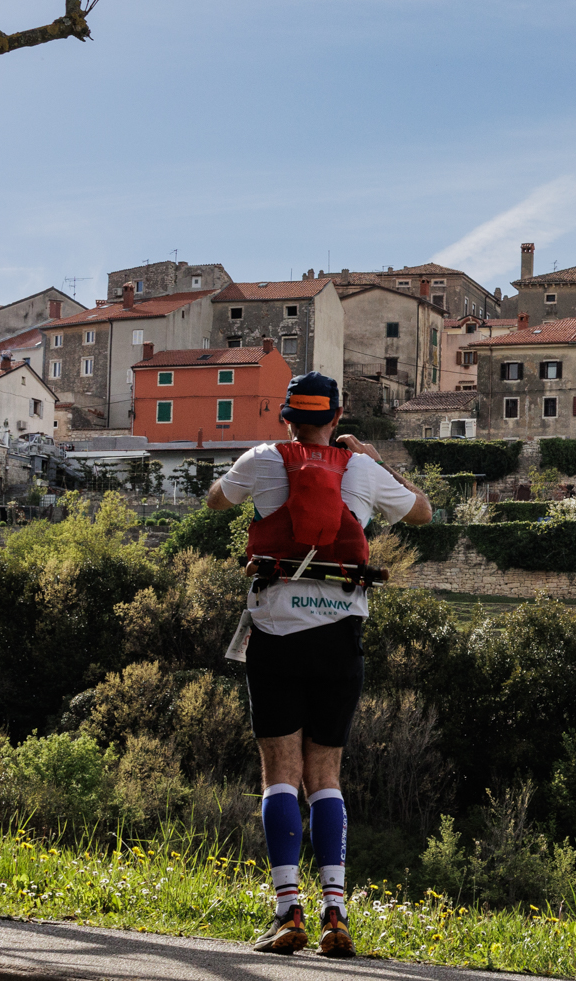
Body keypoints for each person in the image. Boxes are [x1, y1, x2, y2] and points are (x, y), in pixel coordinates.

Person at [207, 371, 430, 956]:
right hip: (340, 638)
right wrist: (380, 459)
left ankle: (287, 913)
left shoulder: (262, 458)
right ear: (337, 418)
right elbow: (424, 514)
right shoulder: (361, 468)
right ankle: (336, 914)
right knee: (325, 777)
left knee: (279, 773)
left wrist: (249, 480)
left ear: (288, 418)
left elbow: (214, 502)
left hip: (276, 636)